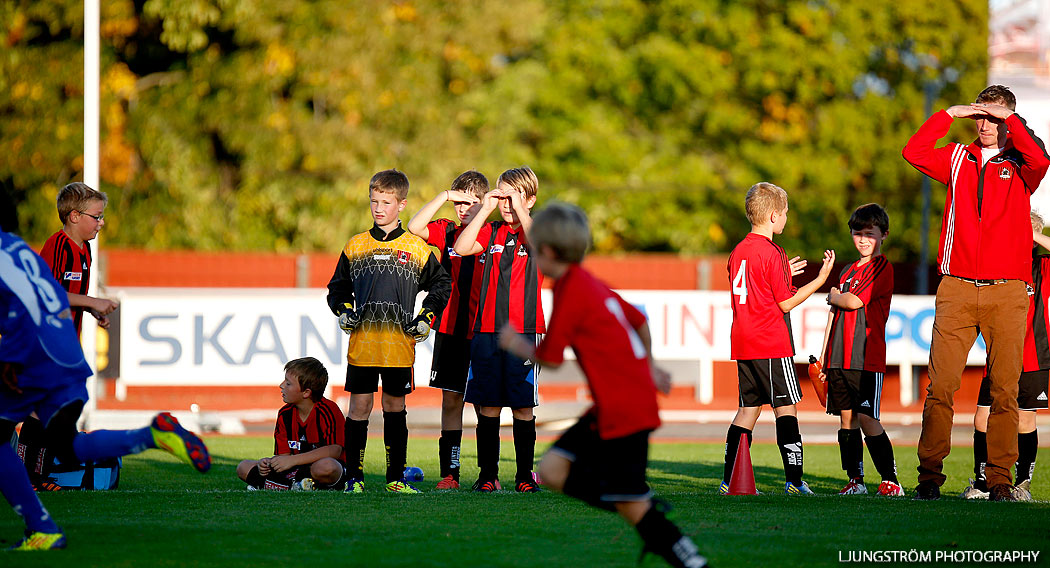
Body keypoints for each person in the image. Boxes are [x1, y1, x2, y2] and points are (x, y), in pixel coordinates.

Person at [499, 202, 708, 568]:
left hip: (622, 409)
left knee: (631, 506)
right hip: (616, 403)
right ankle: (639, 504)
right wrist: (650, 366)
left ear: (546, 252)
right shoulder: (589, 281)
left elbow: (552, 357)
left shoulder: (569, 289)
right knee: (550, 471)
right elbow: (638, 320)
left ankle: (690, 559)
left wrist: (517, 343)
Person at [0, 229, 210, 551]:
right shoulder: (16, 247)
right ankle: (151, 436)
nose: (99, 223)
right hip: (66, 353)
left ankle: (41, 525)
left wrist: (12, 356)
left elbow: (29, 303)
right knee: (66, 445)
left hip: (32, 355)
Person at [903, 85, 1050, 501]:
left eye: (994, 118)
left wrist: (1009, 119)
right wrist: (948, 114)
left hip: (1007, 291)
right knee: (941, 387)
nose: (985, 125)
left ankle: (1000, 479)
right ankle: (929, 477)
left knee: (1005, 390)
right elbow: (913, 151)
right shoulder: (956, 157)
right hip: (957, 287)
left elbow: (1042, 160)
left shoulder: (1021, 163)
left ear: (1009, 121)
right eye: (980, 116)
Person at [327, 169, 451, 494]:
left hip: (399, 345)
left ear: (402, 204)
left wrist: (426, 317)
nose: (378, 208)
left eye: (386, 202)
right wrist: (343, 312)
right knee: (359, 407)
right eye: (374, 201)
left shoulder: (417, 248)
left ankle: (396, 479)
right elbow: (337, 289)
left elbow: (442, 284)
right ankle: (353, 478)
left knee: (395, 407)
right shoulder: (355, 245)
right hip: (364, 344)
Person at [721, 182, 835, 495]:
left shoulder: (739, 250)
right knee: (787, 409)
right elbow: (784, 302)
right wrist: (819, 280)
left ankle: (728, 480)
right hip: (771, 341)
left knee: (748, 409)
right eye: (784, 213)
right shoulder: (772, 252)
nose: (785, 218)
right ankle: (795, 482)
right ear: (773, 215)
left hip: (743, 342)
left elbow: (748, 283)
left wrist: (781, 271)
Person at [453, 166, 544, 493]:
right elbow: (461, 248)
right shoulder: (489, 230)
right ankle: (488, 475)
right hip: (486, 331)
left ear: (529, 199)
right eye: (500, 195)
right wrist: (485, 210)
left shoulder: (536, 230)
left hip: (524, 332)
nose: (505, 202)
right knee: (488, 405)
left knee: (522, 405)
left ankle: (523, 476)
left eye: (512, 196)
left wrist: (521, 209)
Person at [406, 171, 488, 490]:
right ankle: (450, 474)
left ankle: (487, 473)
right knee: (451, 401)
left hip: (483, 330)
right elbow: (414, 227)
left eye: (470, 202)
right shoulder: (447, 231)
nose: (463, 208)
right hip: (451, 329)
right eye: (459, 202)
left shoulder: (492, 234)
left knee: (484, 404)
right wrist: (443, 196)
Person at [962, 211, 1050, 502]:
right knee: (982, 419)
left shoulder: (1042, 266)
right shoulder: (998, 264)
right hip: (998, 355)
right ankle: (982, 481)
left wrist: (1032, 233)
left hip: (1033, 356)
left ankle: (1021, 484)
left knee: (1025, 421)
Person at [817, 203, 901, 496]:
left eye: (870, 233)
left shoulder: (882, 268)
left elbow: (853, 302)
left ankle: (891, 479)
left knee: (867, 418)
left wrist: (833, 295)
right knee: (846, 418)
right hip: (840, 354)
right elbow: (834, 314)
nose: (863, 239)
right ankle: (856, 480)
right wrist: (825, 356)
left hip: (866, 355)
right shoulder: (848, 269)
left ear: (883, 235)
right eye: (857, 233)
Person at [236, 357, 346, 491]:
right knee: (243, 467)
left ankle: (276, 486)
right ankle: (298, 486)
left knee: (326, 467)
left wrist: (293, 461)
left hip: (326, 468)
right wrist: (268, 463)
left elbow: (334, 451)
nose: (281, 385)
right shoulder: (285, 414)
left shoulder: (328, 410)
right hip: (296, 470)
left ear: (306, 392)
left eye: (288, 383)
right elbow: (284, 457)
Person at [38, 182, 119, 335]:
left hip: (69, 339)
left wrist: (91, 309)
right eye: (96, 217)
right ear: (75, 216)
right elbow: (49, 293)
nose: (101, 222)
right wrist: (93, 301)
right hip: (48, 339)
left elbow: (70, 293)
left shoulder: (85, 248)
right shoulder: (57, 245)